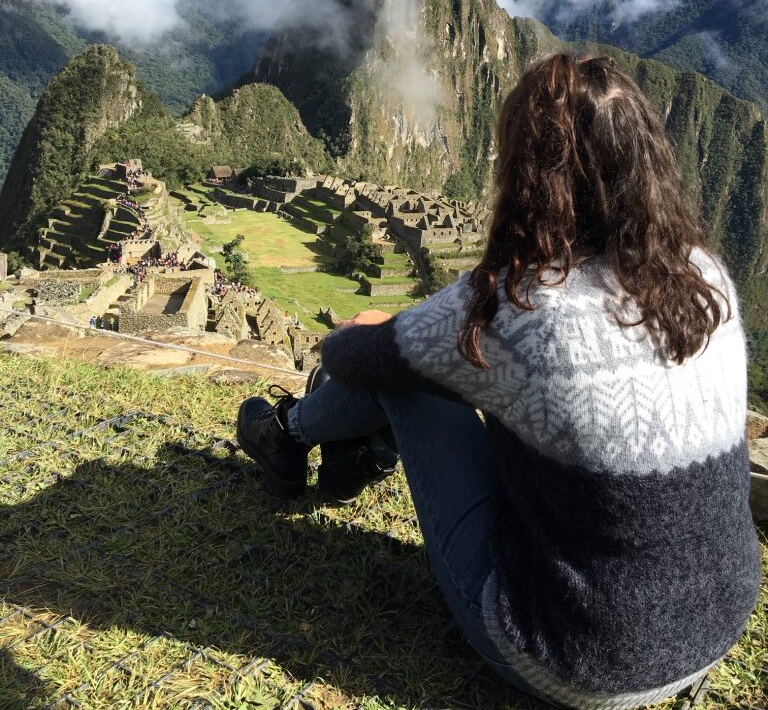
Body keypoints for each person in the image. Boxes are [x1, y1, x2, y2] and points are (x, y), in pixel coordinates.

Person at [236, 53, 760, 709]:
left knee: (405, 367)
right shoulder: (704, 277)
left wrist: (375, 326)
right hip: (714, 629)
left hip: (573, 663)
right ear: (649, 162)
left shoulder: (515, 304)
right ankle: (346, 449)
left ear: (522, 172)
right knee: (444, 367)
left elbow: (351, 359)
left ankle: (287, 435)